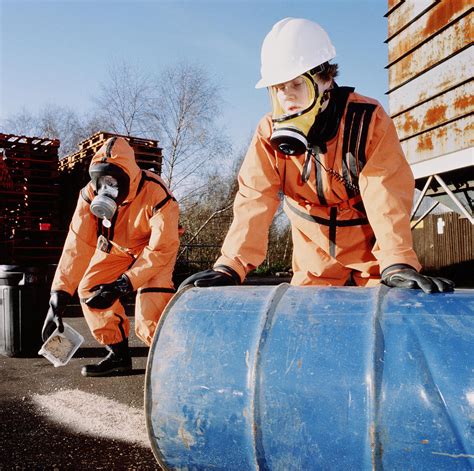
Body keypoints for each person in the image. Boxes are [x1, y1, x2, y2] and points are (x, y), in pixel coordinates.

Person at [180, 17, 453, 294]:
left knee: (381, 328)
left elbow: (387, 193)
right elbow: (255, 198)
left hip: (372, 264)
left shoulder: (368, 121)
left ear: (325, 78)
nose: (287, 98)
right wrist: (231, 266)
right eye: (278, 88)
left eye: (296, 84)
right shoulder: (268, 133)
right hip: (313, 270)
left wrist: (396, 261)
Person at [41, 136, 179, 376]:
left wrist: (123, 284)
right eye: (100, 180)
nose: (106, 188)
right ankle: (118, 356)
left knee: (150, 313)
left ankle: (177, 362)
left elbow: (161, 249)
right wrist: (59, 295)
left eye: (113, 181)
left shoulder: (156, 192)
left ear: (129, 177)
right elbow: (77, 243)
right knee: (89, 289)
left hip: (153, 250)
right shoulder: (88, 195)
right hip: (117, 248)